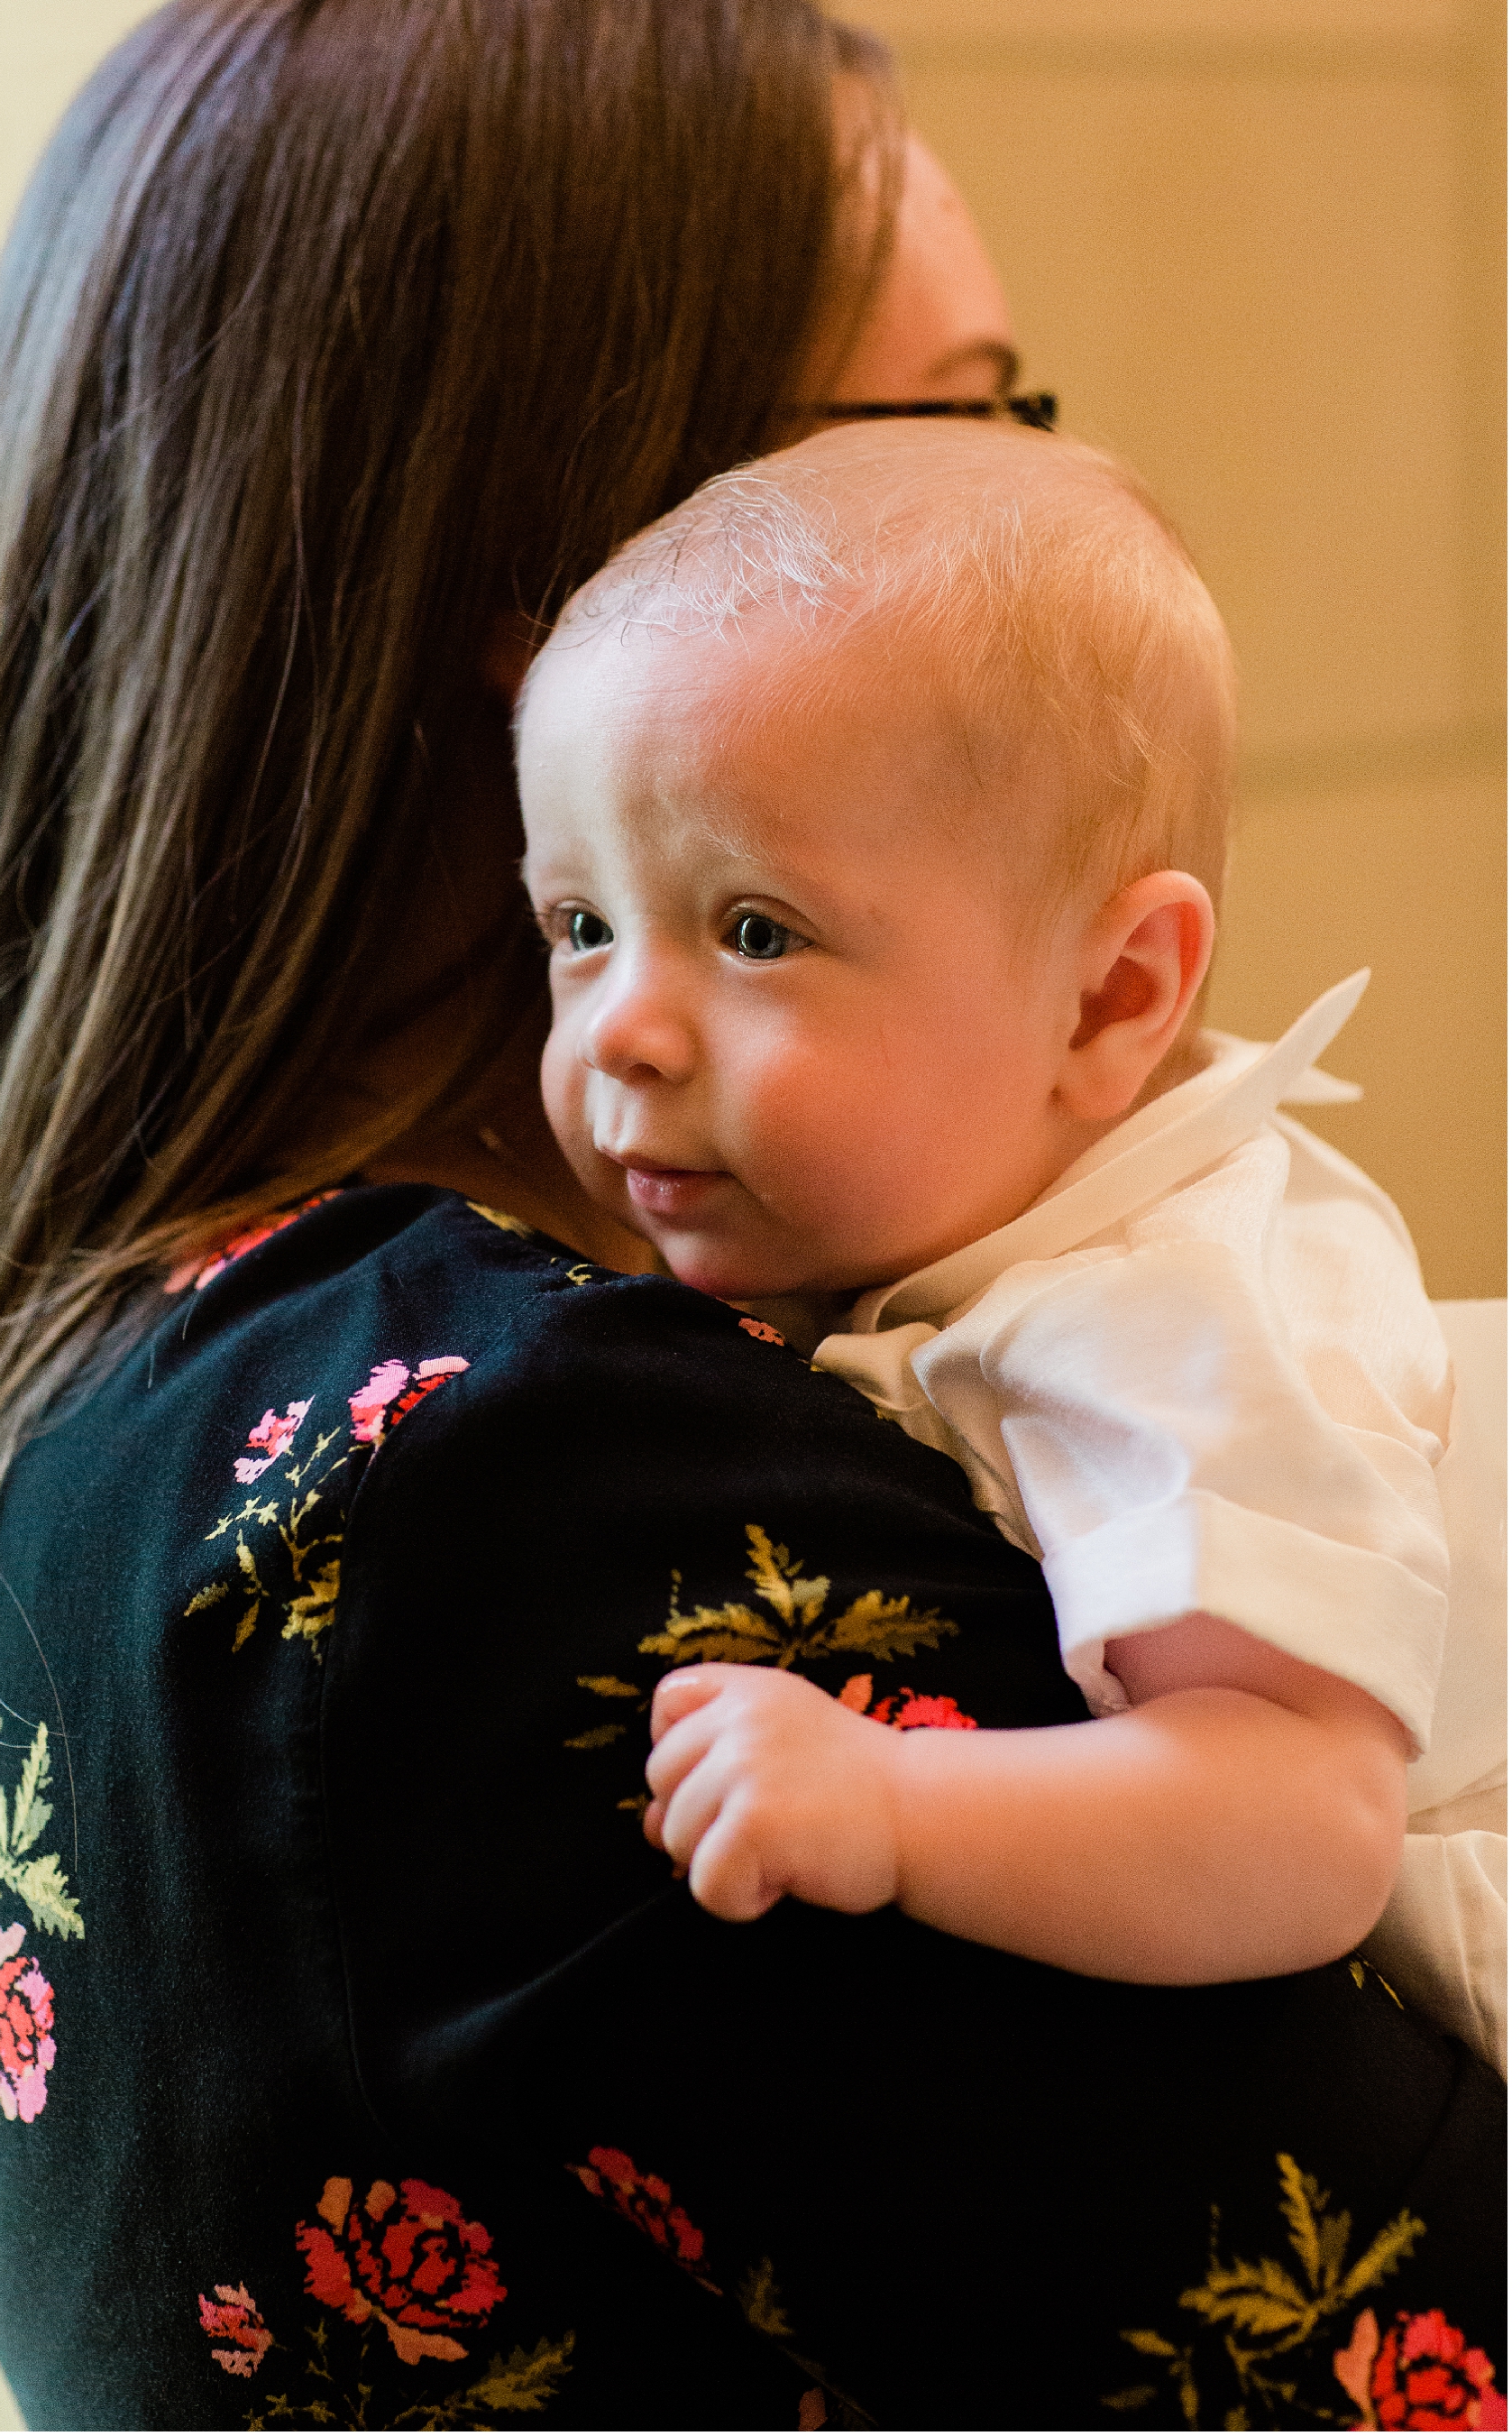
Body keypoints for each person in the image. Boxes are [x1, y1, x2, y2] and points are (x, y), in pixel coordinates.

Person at [0, 0, 1504, 2431]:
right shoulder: (518, 1483)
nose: (1040, 513)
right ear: (570, 598)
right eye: (946, 431)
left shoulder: (161, 1378)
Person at [518, 417, 1505, 2073]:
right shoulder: (970, 1214)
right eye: (581, 926)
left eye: (755, 929)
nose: (623, 1029)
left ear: (1113, 996)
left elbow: (1301, 1816)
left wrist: (894, 1800)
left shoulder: (1163, 1314)